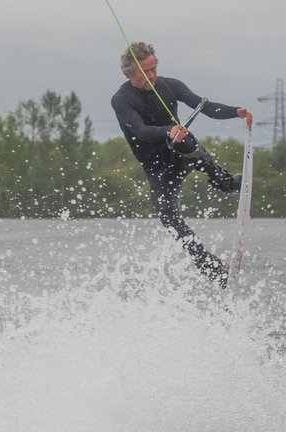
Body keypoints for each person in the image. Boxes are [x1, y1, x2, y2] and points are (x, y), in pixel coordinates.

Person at [110, 42, 253, 287]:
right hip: (156, 167)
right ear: (129, 73)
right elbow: (142, 131)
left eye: (153, 69)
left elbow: (205, 107)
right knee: (169, 220)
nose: (151, 75)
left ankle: (226, 183)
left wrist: (236, 111)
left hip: (179, 153)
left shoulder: (170, 85)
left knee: (186, 140)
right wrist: (168, 130)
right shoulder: (121, 100)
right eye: (145, 71)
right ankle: (210, 267)